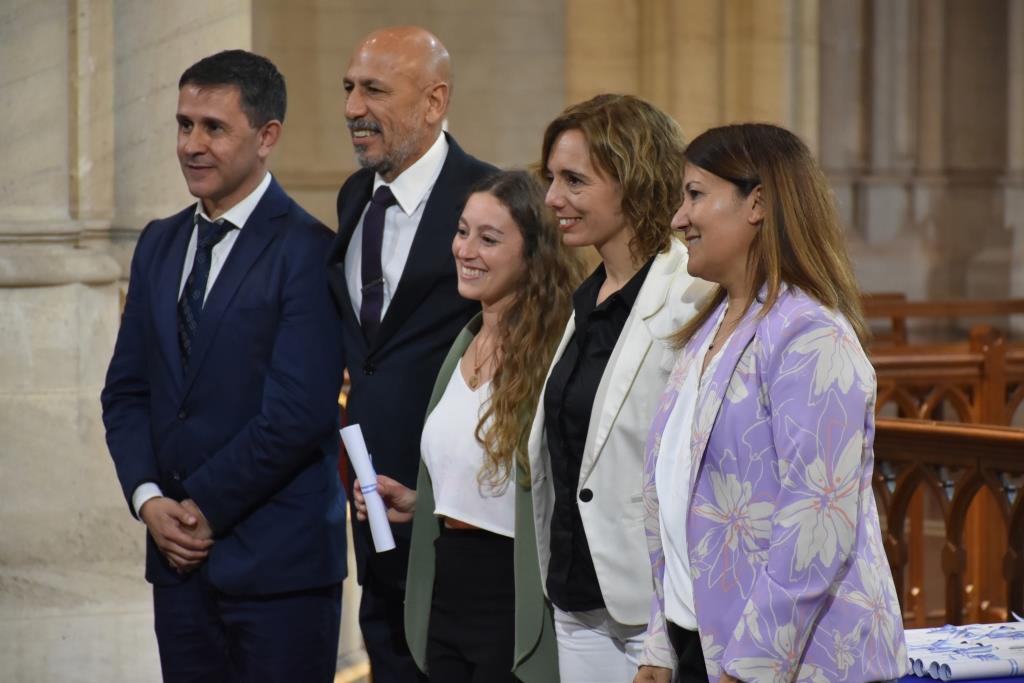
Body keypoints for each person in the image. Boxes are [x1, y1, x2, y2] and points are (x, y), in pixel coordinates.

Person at [100, 50, 346, 682]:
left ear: (267, 137)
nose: (192, 145)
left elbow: (298, 413)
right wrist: (149, 499)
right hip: (177, 567)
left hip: (278, 573)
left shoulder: (309, 250)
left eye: (214, 127)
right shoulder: (158, 242)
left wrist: (199, 507)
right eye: (184, 125)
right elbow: (126, 392)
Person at [636, 123, 909, 683]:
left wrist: (751, 667)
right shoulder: (709, 329)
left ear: (756, 202)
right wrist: (660, 644)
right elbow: (681, 496)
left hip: (794, 661)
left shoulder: (809, 337)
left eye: (694, 195)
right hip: (707, 647)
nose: (677, 219)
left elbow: (817, 520)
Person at [354, 170, 583, 682]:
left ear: (534, 254)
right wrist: (421, 502)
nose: (466, 249)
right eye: (462, 231)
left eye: (489, 238)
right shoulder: (464, 341)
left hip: (512, 594)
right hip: (444, 582)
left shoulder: (556, 353)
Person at [325, 25, 498, 682]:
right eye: (347, 88)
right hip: (374, 524)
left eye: (373, 89)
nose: (351, 108)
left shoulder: (491, 198)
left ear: (433, 101)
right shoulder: (353, 196)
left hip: (459, 528)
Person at [526, 94, 713, 682]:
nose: (554, 198)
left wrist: (662, 633)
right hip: (576, 597)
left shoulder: (692, 292)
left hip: (654, 612)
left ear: (633, 184)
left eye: (574, 180)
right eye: (551, 178)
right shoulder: (587, 296)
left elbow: (695, 472)